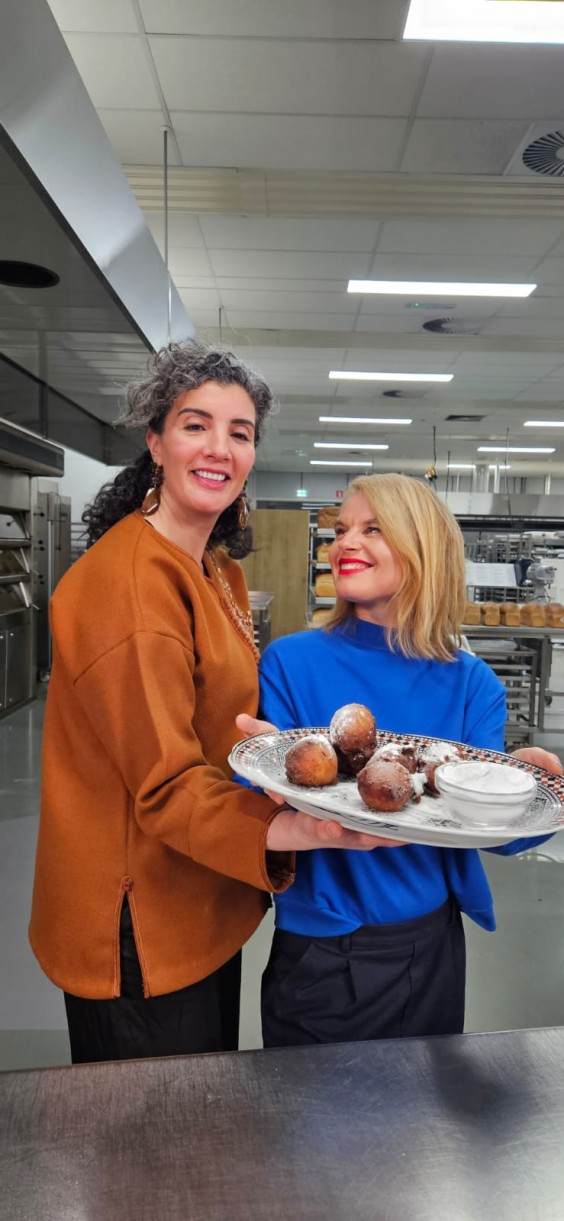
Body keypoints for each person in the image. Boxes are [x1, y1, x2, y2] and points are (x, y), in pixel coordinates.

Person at [29, 340, 383, 1065]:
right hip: (139, 921)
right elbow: (165, 784)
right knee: (160, 1131)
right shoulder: (132, 585)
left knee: (205, 1119)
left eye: (240, 432)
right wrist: (299, 828)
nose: (220, 447)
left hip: (199, 893)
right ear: (156, 442)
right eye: (196, 425)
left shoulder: (213, 567)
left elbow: (213, 716)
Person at [237, 473, 563, 1048]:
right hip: (323, 946)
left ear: (422, 549)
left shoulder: (471, 683)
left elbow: (490, 833)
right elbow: (268, 806)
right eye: (341, 530)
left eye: (372, 529)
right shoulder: (290, 662)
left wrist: (527, 791)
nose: (344, 542)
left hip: (430, 943)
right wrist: (264, 772)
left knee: (427, 1104)